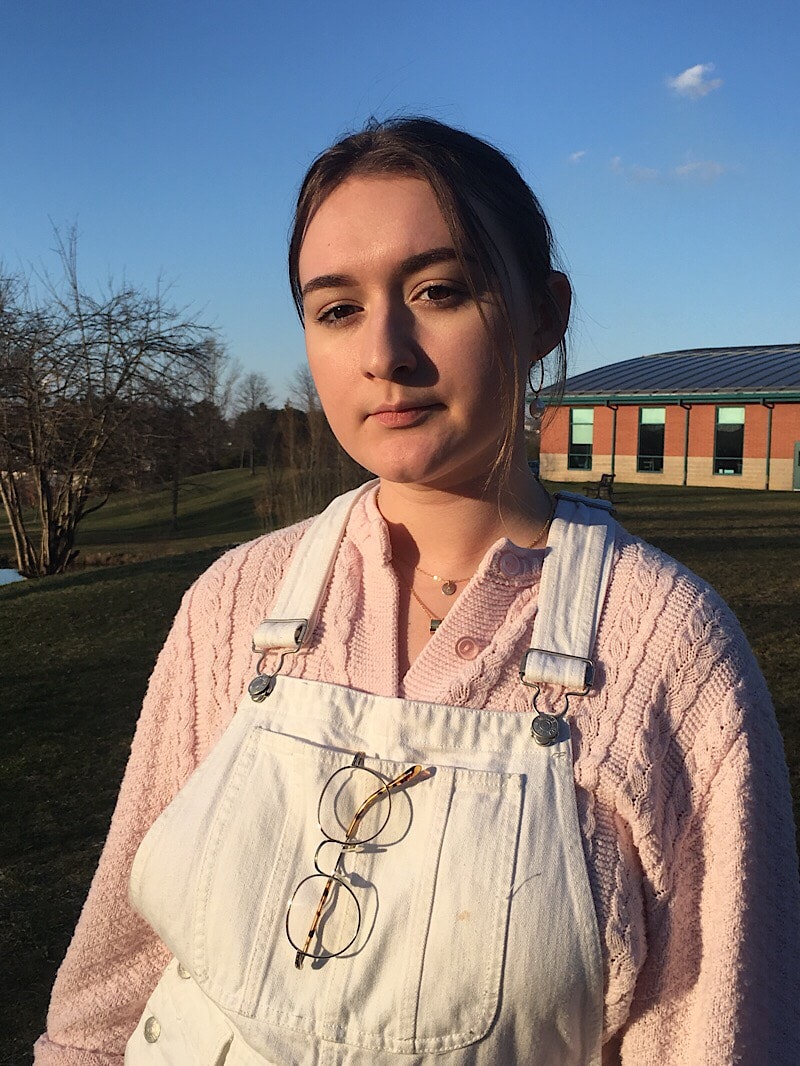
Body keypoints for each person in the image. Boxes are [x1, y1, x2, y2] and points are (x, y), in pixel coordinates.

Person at [35, 117, 800, 1065]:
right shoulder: (233, 604)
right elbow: (109, 990)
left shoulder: (665, 647)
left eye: (438, 291)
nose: (385, 352)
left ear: (545, 314)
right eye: (337, 308)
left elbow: (716, 1030)